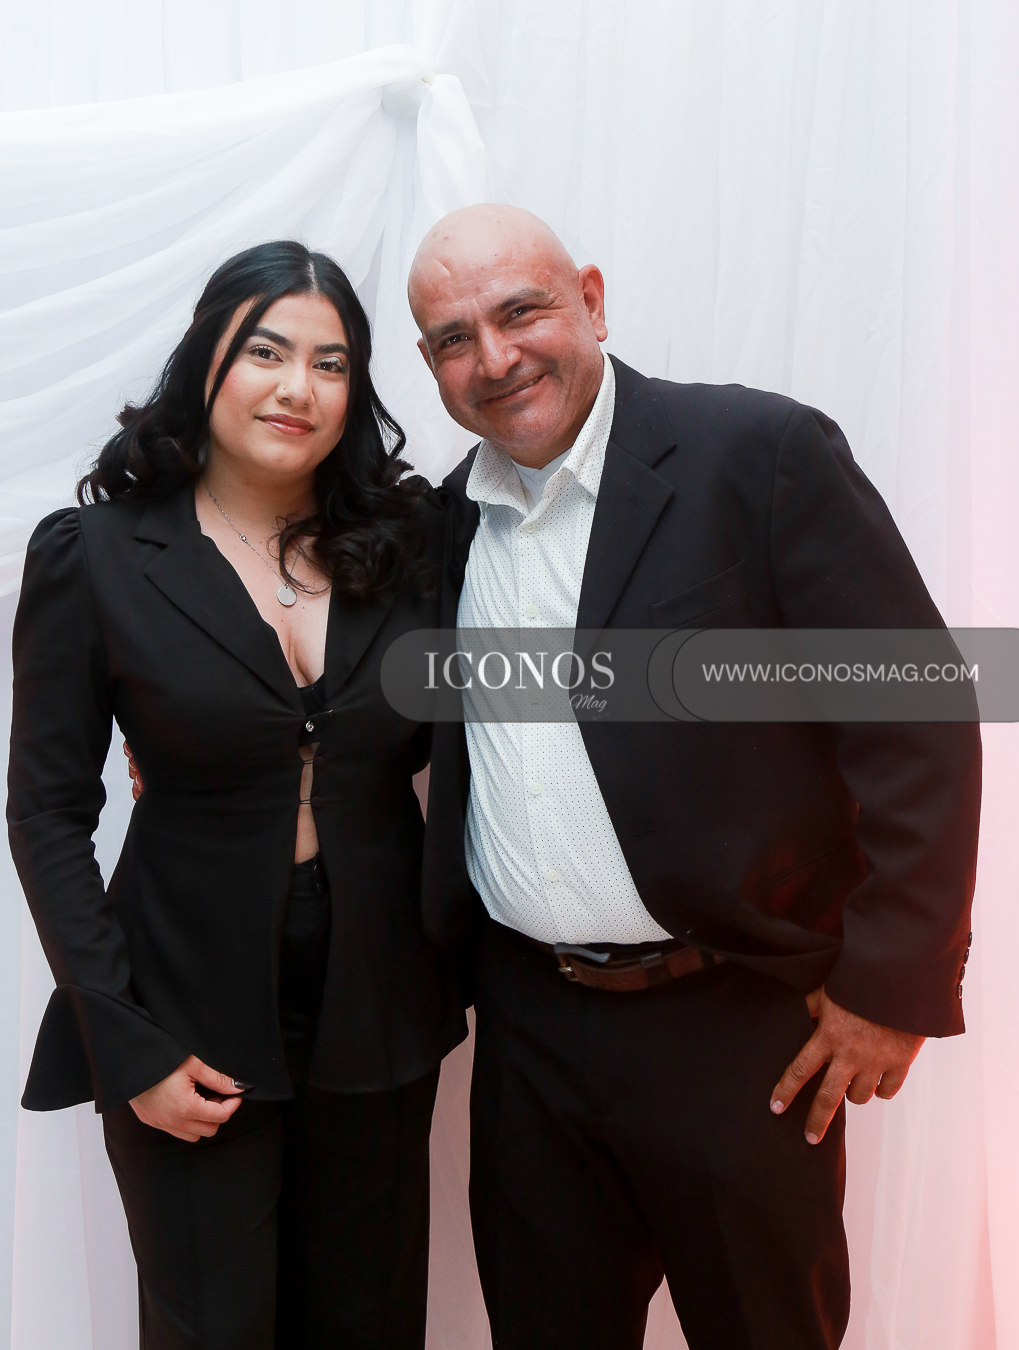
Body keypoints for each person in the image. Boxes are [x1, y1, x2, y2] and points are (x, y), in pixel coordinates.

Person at [408, 205, 981, 1350]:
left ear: (592, 301)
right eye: (455, 339)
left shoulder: (758, 455)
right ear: (431, 367)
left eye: (521, 311)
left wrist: (893, 983)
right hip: (527, 1035)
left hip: (736, 1028)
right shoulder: (441, 525)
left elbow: (916, 716)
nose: (496, 357)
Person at [7, 240, 465, 1350]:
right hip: (184, 1012)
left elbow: (466, 734)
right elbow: (47, 815)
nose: (297, 387)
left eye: (330, 362)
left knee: (368, 1326)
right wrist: (127, 1043)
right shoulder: (96, 555)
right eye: (266, 351)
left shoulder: (411, 544)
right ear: (206, 358)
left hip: (376, 1008)